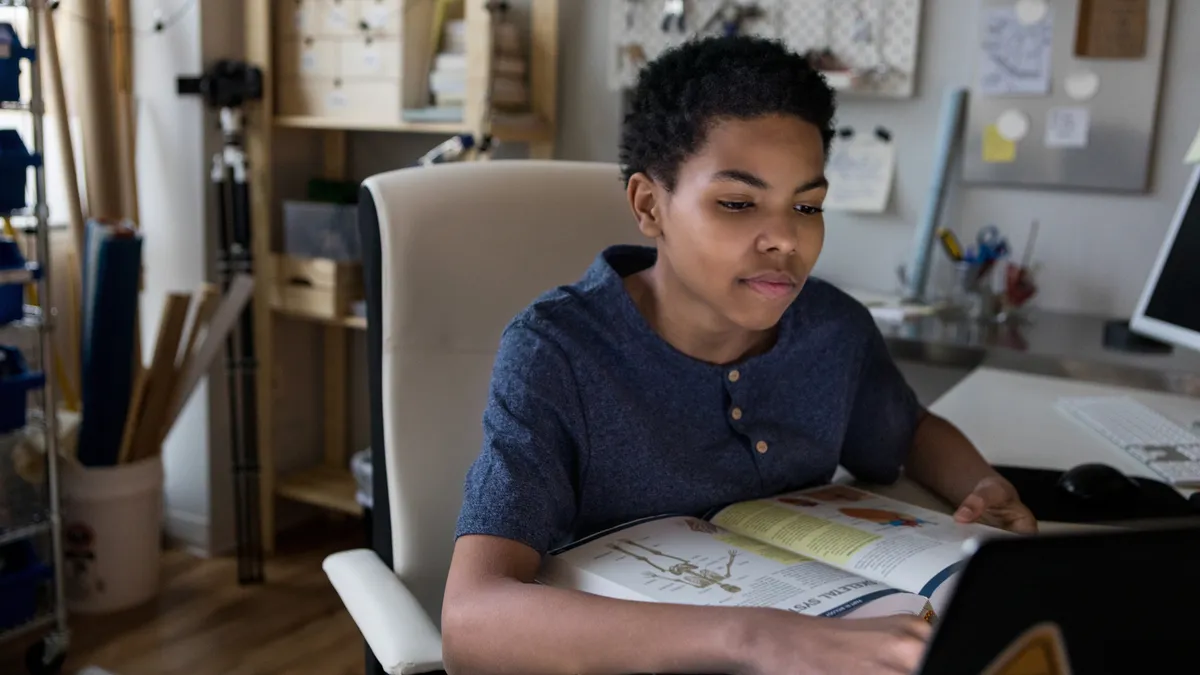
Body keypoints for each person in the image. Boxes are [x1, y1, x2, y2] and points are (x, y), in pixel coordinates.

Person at [442, 35, 1036, 675]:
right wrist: (759, 637)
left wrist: (980, 483)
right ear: (650, 205)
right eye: (737, 203)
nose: (785, 237)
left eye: (807, 205)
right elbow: (471, 620)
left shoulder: (831, 328)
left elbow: (909, 428)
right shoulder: (555, 351)